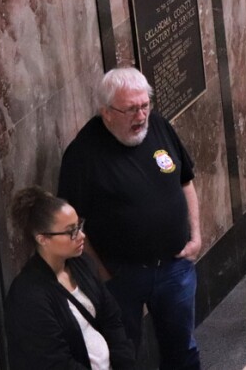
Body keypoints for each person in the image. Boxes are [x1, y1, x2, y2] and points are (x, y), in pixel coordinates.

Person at [58, 66, 202, 369]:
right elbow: (71, 224)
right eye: (131, 109)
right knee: (123, 354)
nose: (141, 117)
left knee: (183, 349)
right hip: (122, 277)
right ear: (107, 112)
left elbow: (185, 181)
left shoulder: (159, 127)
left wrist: (196, 236)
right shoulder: (83, 154)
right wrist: (102, 274)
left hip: (175, 267)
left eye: (145, 106)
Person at [4, 186, 136, 369]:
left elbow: (111, 317)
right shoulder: (28, 295)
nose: (81, 236)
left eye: (79, 225)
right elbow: (53, 360)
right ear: (42, 239)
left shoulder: (82, 264)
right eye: (71, 231)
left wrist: (124, 362)